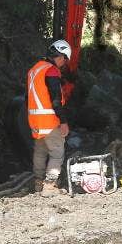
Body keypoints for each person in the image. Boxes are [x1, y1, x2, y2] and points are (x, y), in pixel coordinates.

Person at [26, 39, 73, 196]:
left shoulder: (34, 69)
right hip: (49, 119)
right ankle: (50, 185)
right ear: (61, 57)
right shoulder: (51, 70)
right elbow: (56, 99)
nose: (63, 64)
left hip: (35, 120)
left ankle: (38, 183)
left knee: (40, 151)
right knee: (57, 152)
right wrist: (64, 121)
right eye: (64, 60)